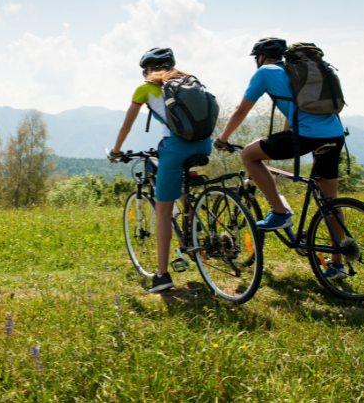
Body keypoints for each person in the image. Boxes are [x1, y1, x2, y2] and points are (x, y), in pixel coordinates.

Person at [213, 38, 348, 280]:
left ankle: (279, 212)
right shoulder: (296, 71)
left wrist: (222, 139)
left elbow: (241, 110)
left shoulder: (265, 72)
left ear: (261, 57)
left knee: (249, 155)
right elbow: (293, 109)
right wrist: (283, 135)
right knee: (330, 200)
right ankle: (336, 262)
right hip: (335, 134)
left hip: (306, 136)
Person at [109, 47, 213, 292]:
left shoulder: (145, 89)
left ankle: (162, 275)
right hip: (204, 144)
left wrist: (116, 151)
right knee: (177, 181)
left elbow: (126, 126)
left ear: (147, 69)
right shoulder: (188, 83)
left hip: (176, 148)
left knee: (163, 212)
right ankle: (194, 224)